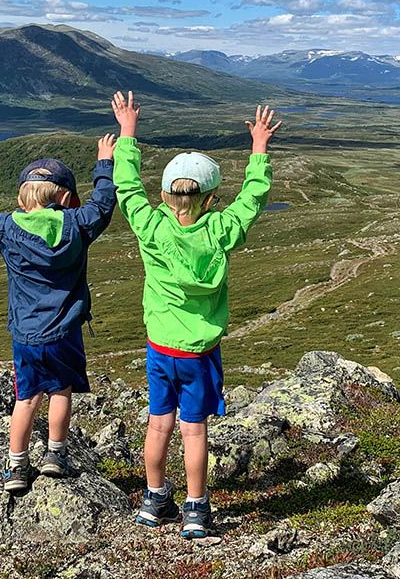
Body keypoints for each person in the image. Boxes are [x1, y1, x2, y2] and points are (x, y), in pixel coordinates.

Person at [110, 91, 279, 538]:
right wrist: (259, 148)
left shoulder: (150, 225)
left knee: (158, 424)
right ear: (210, 198)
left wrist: (127, 131)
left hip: (160, 348)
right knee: (194, 431)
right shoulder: (221, 230)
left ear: (164, 195)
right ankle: (196, 509)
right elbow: (253, 198)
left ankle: (153, 499)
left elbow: (126, 187)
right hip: (199, 354)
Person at [0, 136, 117, 492]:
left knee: (26, 398)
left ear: (21, 199)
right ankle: (55, 456)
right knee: (61, 391)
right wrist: (105, 163)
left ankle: (16, 466)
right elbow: (103, 203)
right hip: (65, 332)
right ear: (66, 199)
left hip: (26, 336)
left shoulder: (6, 229)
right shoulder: (77, 225)